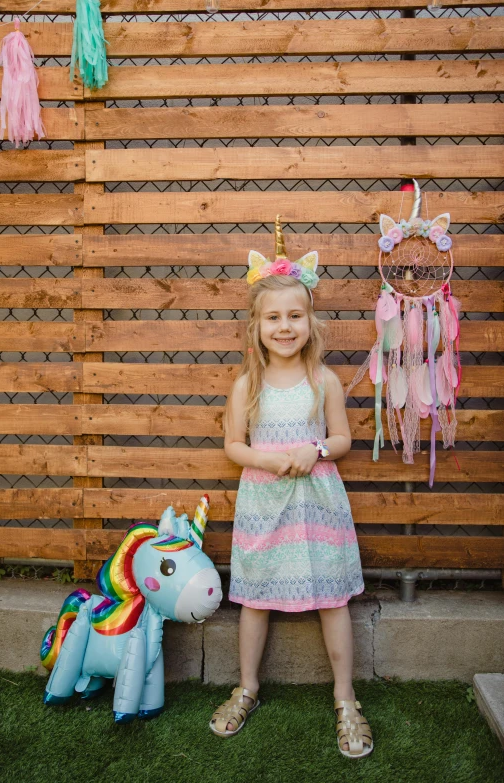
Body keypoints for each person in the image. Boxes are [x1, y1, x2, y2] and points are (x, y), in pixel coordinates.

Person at [208, 218, 373, 758]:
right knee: (255, 598)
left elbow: (343, 438)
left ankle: (345, 698)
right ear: (256, 326)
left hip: (317, 503)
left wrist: (315, 450)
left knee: (331, 598)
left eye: (294, 316)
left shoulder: (322, 380)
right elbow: (233, 444)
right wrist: (262, 458)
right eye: (273, 318)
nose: (285, 327)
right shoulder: (244, 385)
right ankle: (246, 687)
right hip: (264, 502)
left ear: (309, 321)